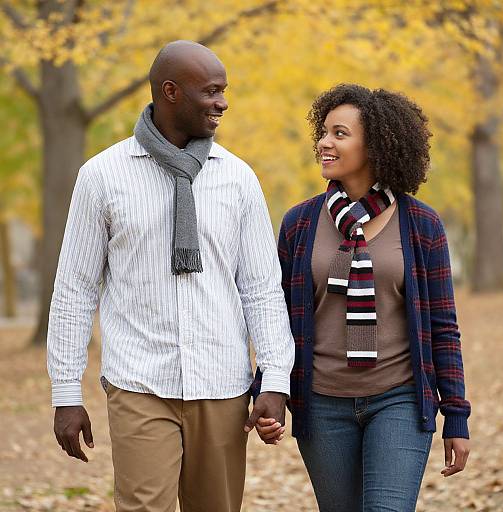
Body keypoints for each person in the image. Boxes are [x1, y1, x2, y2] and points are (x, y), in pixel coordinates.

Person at [47, 40, 294, 512]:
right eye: (212, 91)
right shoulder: (102, 176)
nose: (223, 103)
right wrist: (65, 393)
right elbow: (74, 290)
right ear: (171, 92)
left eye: (224, 91)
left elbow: (262, 289)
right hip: (139, 383)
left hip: (222, 385)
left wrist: (276, 380)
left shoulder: (238, 178)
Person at [267, 84, 471, 511]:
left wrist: (456, 415)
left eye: (339, 134)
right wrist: (269, 390)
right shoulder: (299, 224)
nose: (324, 142)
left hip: (397, 398)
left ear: (375, 144)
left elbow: (442, 328)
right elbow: (278, 318)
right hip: (322, 405)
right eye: (323, 132)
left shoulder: (421, 225)